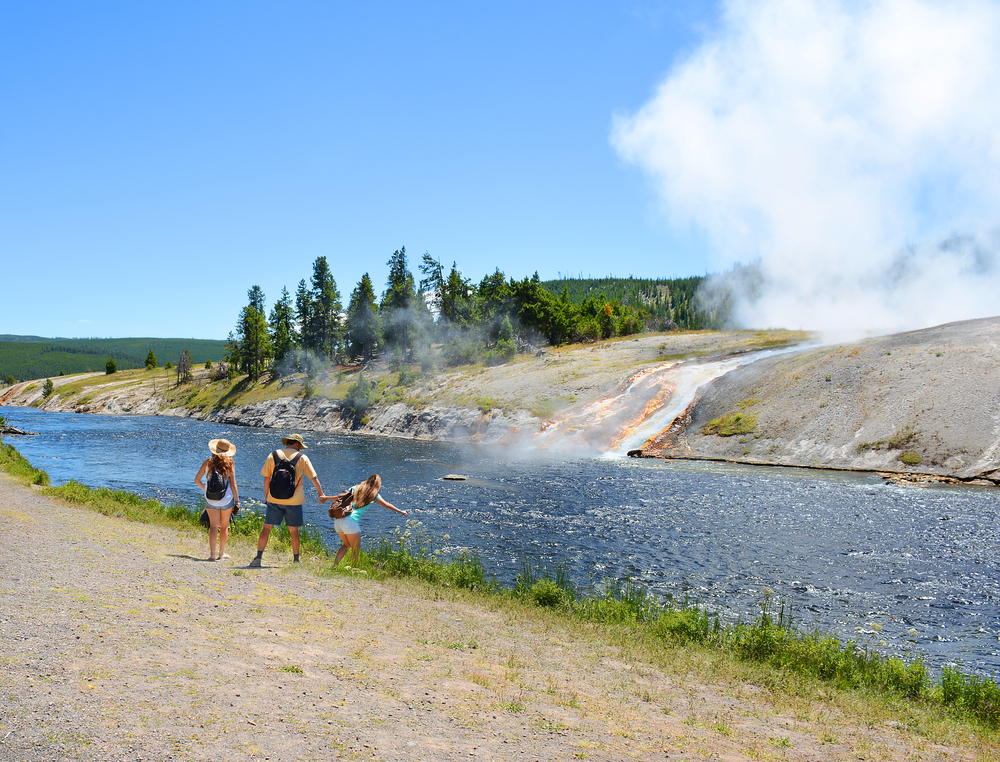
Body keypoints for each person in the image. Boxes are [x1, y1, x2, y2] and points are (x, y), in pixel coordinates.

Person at [249, 433, 326, 567]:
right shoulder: (302, 458)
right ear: (297, 444)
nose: (300, 449)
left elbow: (266, 478)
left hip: (274, 498)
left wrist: (266, 497)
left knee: (266, 528)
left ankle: (258, 558)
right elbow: (314, 478)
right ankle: (296, 561)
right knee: (294, 531)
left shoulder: (273, 455)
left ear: (288, 442)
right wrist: (321, 494)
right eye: (300, 446)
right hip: (294, 501)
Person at [321, 474, 406, 566]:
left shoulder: (355, 488)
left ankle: (334, 566)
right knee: (356, 548)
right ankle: (353, 570)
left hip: (339, 520)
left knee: (346, 545)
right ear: (377, 485)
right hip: (350, 522)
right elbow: (386, 505)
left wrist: (326, 498)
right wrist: (400, 511)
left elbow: (340, 498)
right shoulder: (373, 494)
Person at [194, 438, 239, 561]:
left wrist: (205, 489)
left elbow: (196, 480)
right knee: (224, 527)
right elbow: (233, 484)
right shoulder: (230, 462)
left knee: (213, 526)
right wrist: (237, 501)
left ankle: (212, 555)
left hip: (210, 499)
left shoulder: (207, 462)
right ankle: (221, 553)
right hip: (226, 499)